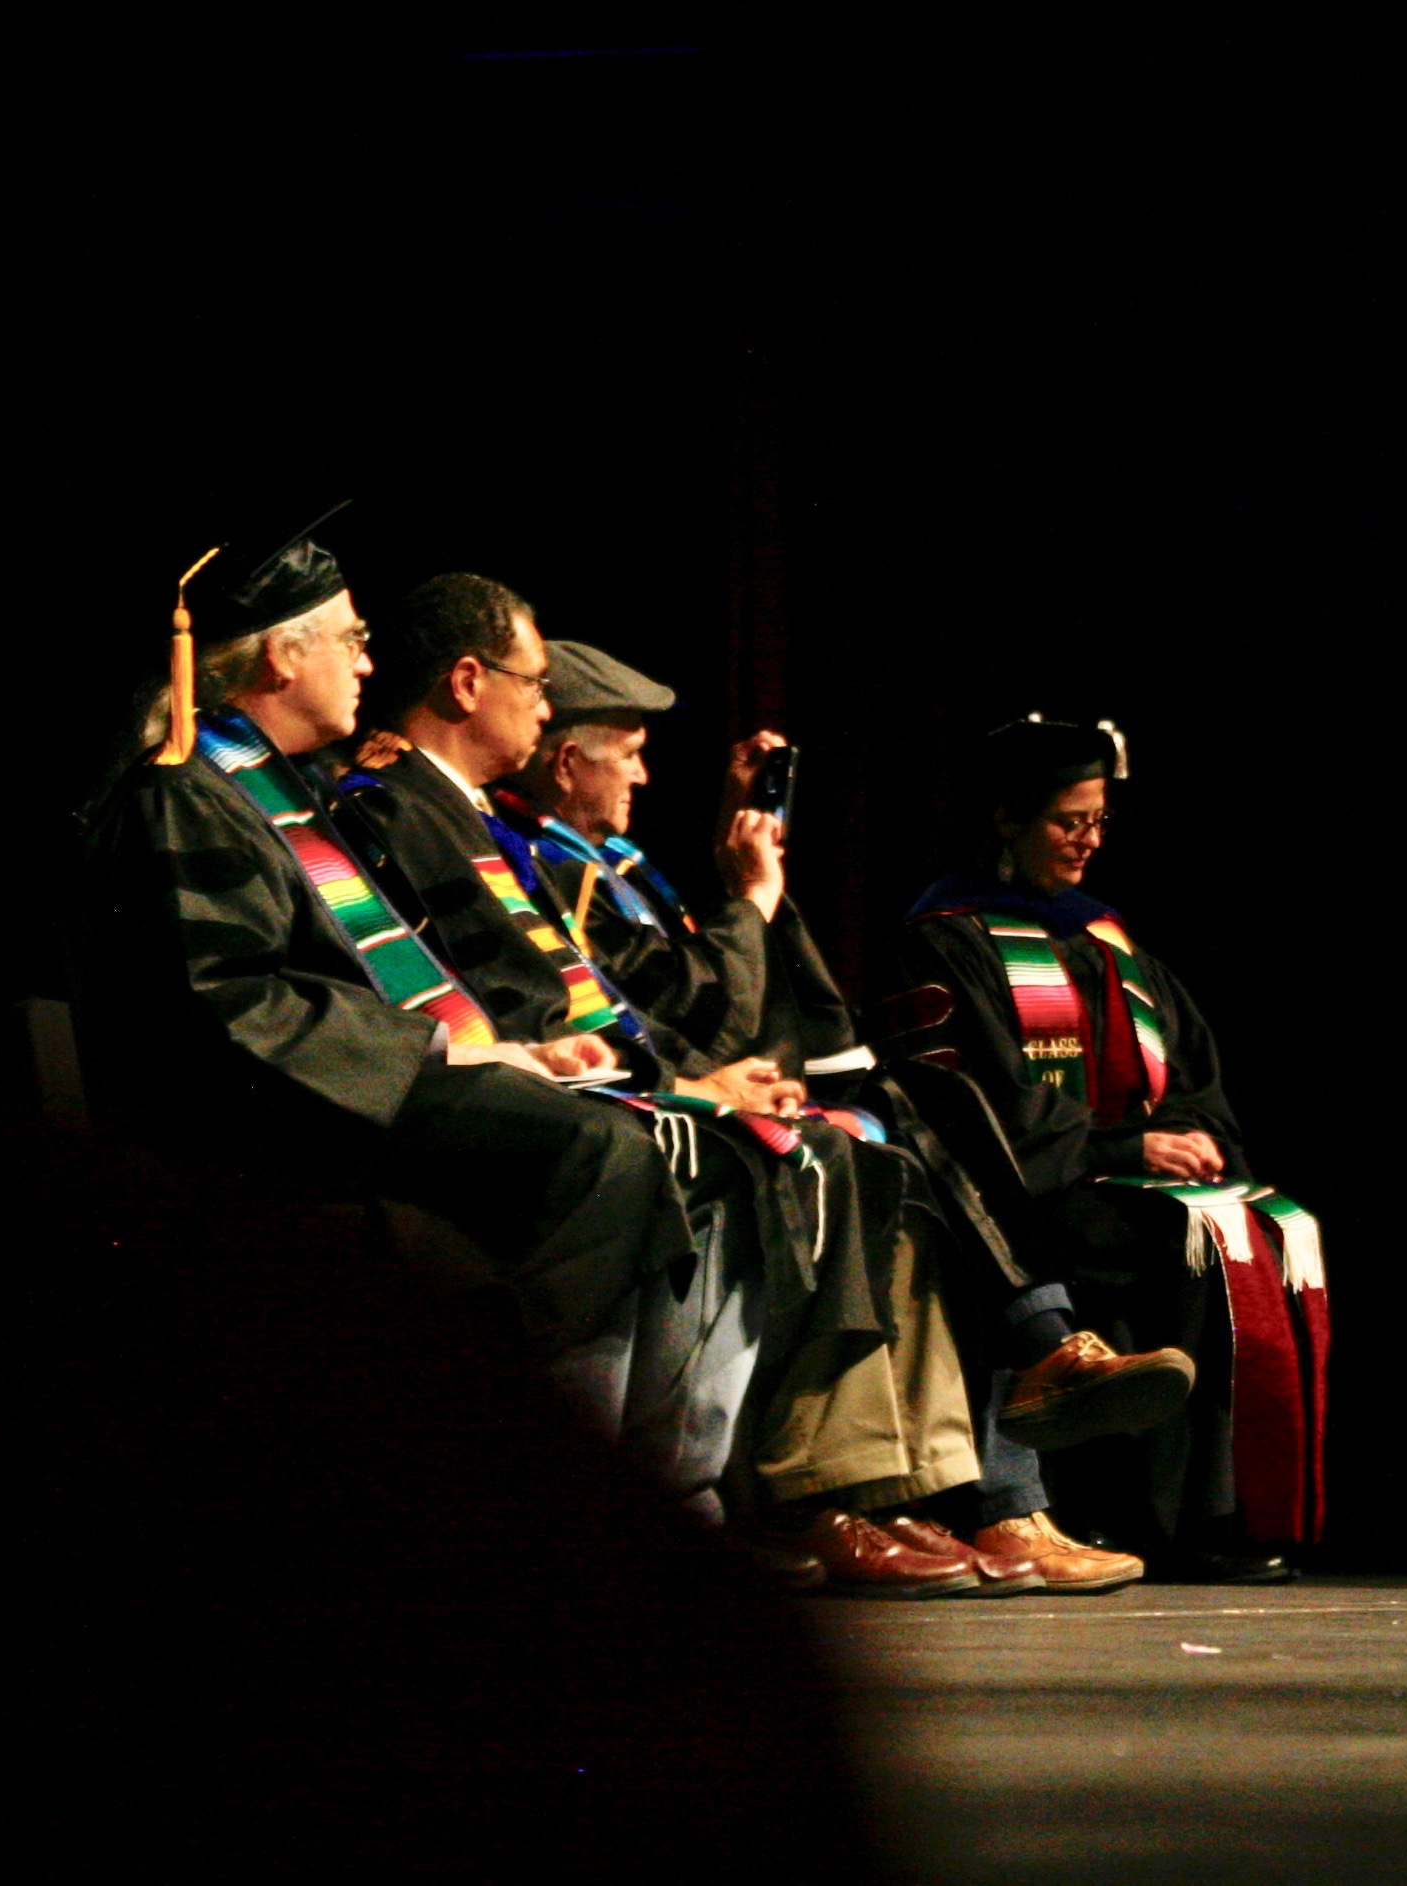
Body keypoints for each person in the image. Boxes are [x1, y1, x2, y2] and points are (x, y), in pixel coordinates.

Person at [337, 577, 1092, 1596]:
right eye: (540, 691)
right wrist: (719, 989)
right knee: (816, 1151)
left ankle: (925, 1483)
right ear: (475, 685)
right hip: (492, 1109)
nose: (547, 706)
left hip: (592, 1084)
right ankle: (771, 1495)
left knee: (879, 1133)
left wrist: (730, 981)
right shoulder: (418, 816)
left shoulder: (512, 834)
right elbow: (609, 1007)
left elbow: (629, 1007)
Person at [72, 511, 746, 1540]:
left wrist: (497, 1048)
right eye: (348, 637)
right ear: (279, 656)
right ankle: (554, 1510)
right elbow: (232, 999)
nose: (369, 660)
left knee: (654, 1137)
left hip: (335, 1087)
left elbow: (369, 983)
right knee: (594, 1149)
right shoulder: (186, 794)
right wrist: (440, 1053)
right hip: (255, 1118)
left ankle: (648, 1499)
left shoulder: (278, 791)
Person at [497, 642, 1189, 1594]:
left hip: (727, 1082)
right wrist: (745, 919)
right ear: (568, 761)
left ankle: (996, 1478)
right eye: (629, 751)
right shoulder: (536, 863)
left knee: (918, 1131)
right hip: (644, 1100)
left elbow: (692, 981)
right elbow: (680, 1004)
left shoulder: (606, 859)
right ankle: (997, 1438)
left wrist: (745, 858)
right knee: (912, 1128)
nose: (646, 773)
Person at [894, 715, 1330, 1582]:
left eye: (1099, 822)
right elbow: (968, 1105)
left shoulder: (1107, 938)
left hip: (1122, 1173)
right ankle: (1136, 1514)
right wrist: (1132, 1146)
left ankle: (1226, 1513)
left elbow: (1191, 1069)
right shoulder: (946, 939)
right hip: (1026, 1195)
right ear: (1007, 820)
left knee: (1261, 1227)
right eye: (1068, 822)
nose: (1088, 842)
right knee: (1169, 1241)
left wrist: (1196, 1135)